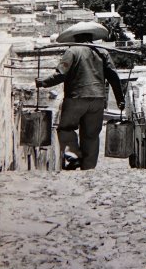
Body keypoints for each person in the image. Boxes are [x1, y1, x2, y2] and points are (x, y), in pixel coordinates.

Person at [36, 22, 125, 171]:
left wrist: (43, 82)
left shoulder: (72, 51)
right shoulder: (102, 51)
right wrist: (120, 99)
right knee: (91, 135)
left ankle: (74, 155)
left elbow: (60, 74)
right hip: (97, 99)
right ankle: (88, 168)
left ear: (75, 38)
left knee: (66, 128)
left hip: (75, 98)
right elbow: (113, 76)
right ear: (91, 37)